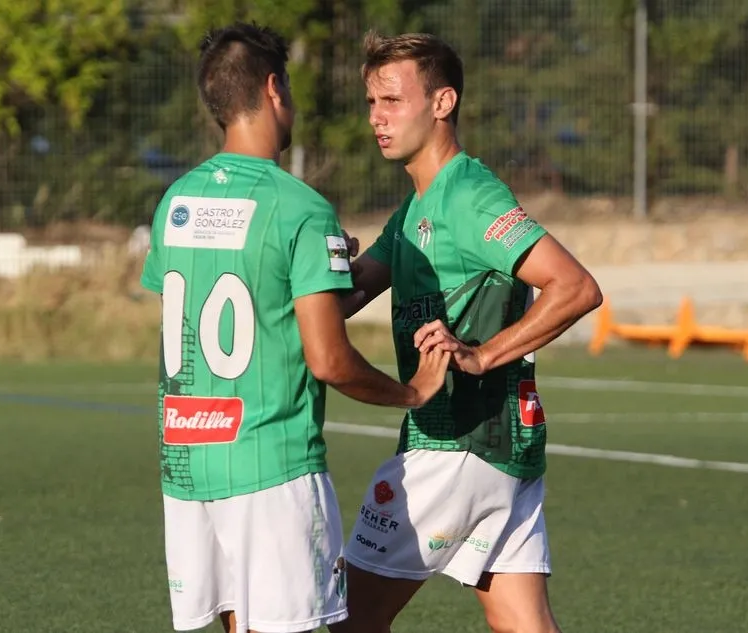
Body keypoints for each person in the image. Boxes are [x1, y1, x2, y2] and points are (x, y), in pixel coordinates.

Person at [139, 23, 450, 633]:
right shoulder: (299, 207)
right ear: (274, 88)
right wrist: (412, 392)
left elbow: (247, 296)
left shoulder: (176, 201)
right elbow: (329, 360)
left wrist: (322, 273)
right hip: (271, 468)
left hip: (187, 465)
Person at [331, 31, 603, 633]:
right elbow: (349, 294)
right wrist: (317, 265)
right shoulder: (415, 209)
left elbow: (576, 287)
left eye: (392, 100)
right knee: (523, 624)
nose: (376, 117)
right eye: (371, 102)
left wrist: (482, 355)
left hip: (454, 444)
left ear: (443, 102)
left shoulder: (470, 196)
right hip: (505, 446)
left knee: (350, 619)